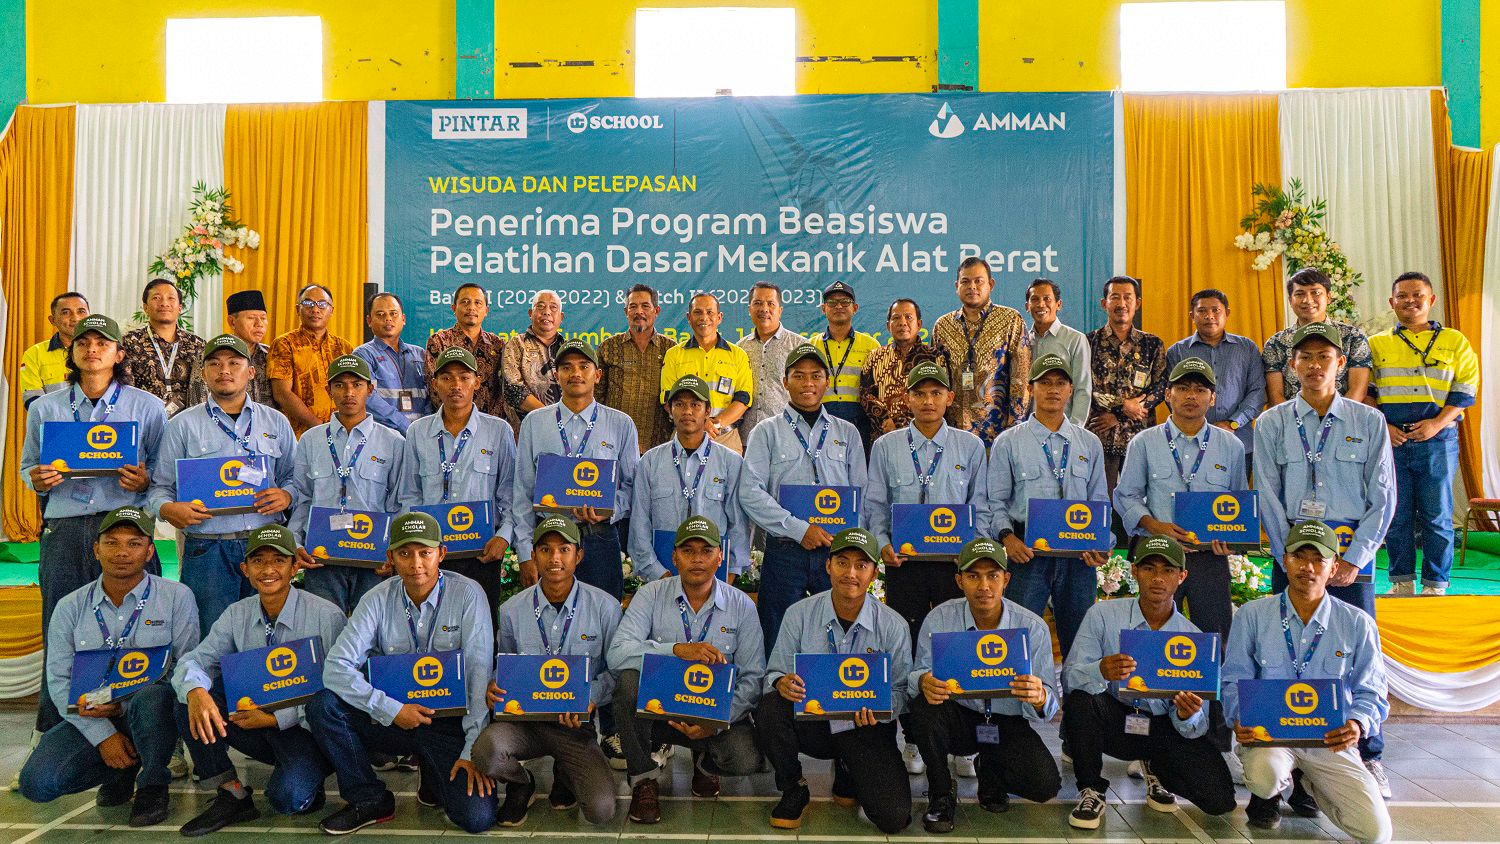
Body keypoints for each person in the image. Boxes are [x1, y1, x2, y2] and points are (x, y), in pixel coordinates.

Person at [1254, 321, 1396, 794]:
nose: (1315, 366)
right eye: (1306, 358)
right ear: (1292, 365)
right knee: (1284, 651)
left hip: (1351, 554)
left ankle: (1368, 753)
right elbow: (1268, 495)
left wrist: (1354, 558)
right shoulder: (1272, 423)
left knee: (1359, 651)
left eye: (1325, 358)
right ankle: (1288, 759)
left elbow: (1383, 497)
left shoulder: (1368, 421)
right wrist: (1289, 557)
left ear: (1341, 364)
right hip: (1295, 554)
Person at [20, 314, 168, 738]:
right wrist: (37, 478)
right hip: (65, 527)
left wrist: (144, 480)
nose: (92, 349)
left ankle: (149, 731)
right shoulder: (46, 408)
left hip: (125, 525)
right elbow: (28, 466)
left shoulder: (147, 406)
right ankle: (52, 731)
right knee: (60, 624)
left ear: (119, 354)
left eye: (103, 343)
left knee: (142, 624)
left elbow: (162, 473)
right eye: (83, 343)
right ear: (72, 352)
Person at [306, 511, 498, 835]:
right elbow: (336, 667)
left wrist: (471, 752)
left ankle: (433, 773)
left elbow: (479, 675)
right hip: (394, 717)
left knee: (475, 818)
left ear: (441, 554)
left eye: (425, 552)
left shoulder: (468, 594)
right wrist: (391, 709)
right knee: (324, 706)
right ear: (391, 557)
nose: (416, 563)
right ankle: (369, 798)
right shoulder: (376, 600)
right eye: (405, 553)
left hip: (448, 722)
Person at [17, 507, 199, 828]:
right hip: (93, 715)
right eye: (112, 543)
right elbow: (58, 681)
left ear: (150, 551)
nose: (122, 553)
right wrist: (103, 736)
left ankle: (153, 784)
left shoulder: (176, 597)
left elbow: (187, 667)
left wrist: (124, 705)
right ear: (96, 549)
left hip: (152, 712)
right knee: (37, 783)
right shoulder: (70, 606)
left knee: (153, 699)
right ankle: (120, 770)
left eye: (134, 543)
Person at [1223, 520, 1392, 842]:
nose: (1308, 567)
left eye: (1319, 559)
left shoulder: (1357, 623)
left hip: (1328, 739)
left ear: (1334, 568)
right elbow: (1233, 679)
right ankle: (1272, 791)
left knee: (1376, 833)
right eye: (1299, 557)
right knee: (1264, 777)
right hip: (1270, 737)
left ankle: (1307, 782)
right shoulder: (1253, 615)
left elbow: (1371, 689)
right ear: (1284, 561)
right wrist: (1239, 717)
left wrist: (1357, 723)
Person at [172, 525, 345, 835]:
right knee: (188, 697)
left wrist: (277, 718)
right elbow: (196, 660)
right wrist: (196, 691)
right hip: (252, 719)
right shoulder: (236, 613)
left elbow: (338, 689)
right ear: (245, 569)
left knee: (287, 799)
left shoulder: (326, 615)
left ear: (295, 566)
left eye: (278, 561)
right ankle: (231, 792)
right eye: (258, 561)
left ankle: (310, 772)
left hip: (305, 728)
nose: (267, 570)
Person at [864, 360, 989, 775]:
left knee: (957, 644)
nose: (929, 400)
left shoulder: (971, 447)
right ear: (908, 398)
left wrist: (971, 549)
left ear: (950, 398)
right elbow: (875, 506)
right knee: (907, 644)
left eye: (936, 393)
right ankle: (914, 738)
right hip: (905, 566)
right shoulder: (886, 447)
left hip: (955, 567)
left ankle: (962, 742)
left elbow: (981, 506)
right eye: (920, 393)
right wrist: (882, 544)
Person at [1062, 535, 1236, 830]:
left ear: (1182, 577)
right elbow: (1069, 678)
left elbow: (1198, 726)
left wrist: (1187, 714)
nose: (1157, 578)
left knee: (1220, 801)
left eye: (1168, 570)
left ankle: (1156, 769)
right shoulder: (1102, 615)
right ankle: (1091, 789)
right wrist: (1099, 670)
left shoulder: (1194, 638)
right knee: (1082, 698)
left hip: (1161, 728)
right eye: (1149, 568)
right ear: (1134, 571)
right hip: (1115, 721)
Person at [607, 516, 766, 824]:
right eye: (688, 550)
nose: (697, 559)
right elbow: (617, 655)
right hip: (661, 713)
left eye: (706, 551)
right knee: (628, 683)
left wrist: (714, 724)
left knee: (744, 757)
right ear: (674, 557)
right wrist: (676, 650)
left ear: (720, 557)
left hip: (712, 713)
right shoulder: (651, 595)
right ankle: (644, 779)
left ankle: (705, 764)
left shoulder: (741, 605)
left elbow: (752, 678)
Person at [757, 527, 912, 834]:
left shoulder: (893, 626)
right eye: (842, 562)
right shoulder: (799, 614)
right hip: (813, 723)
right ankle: (793, 787)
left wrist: (881, 707)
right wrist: (781, 682)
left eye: (861, 565)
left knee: (893, 817)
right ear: (828, 566)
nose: (850, 573)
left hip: (866, 728)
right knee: (771, 707)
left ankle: (847, 768)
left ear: (874, 573)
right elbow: (773, 673)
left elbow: (903, 692)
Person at [473, 515, 622, 827]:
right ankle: (521, 783)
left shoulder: (605, 607)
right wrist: (493, 684)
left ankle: (565, 772)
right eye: (545, 550)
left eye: (564, 549)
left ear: (578, 556)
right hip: (525, 723)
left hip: (574, 725)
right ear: (534, 555)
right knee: (487, 752)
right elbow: (504, 666)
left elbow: (617, 672)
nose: (555, 558)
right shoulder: (512, 610)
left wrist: (591, 697)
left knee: (601, 811)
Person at [908, 537, 1060, 833]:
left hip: (1005, 722)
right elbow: (917, 674)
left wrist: (1040, 696)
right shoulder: (940, 619)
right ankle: (941, 793)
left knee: (1045, 785)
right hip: (958, 719)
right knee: (924, 707)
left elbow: (1050, 702)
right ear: (959, 581)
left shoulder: (1032, 627)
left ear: (1007, 580)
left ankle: (991, 771)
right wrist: (925, 681)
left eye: (993, 576)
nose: (984, 586)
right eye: (973, 576)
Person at [148, 335, 296, 633]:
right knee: (211, 634)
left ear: (251, 371)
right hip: (207, 549)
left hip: (265, 545)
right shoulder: (182, 425)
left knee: (268, 633)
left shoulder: (276, 422)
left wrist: (287, 495)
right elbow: (159, 488)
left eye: (234, 363)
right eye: (214, 364)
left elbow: (295, 478)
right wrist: (167, 509)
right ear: (203, 374)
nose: (224, 370)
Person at [739, 343, 868, 653]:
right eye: (799, 376)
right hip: (785, 551)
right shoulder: (765, 432)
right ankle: (777, 684)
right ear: (785, 382)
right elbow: (750, 493)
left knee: (839, 635)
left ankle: (833, 684)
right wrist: (800, 530)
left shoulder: (848, 433)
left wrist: (852, 546)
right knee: (777, 635)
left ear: (827, 382)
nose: (807, 383)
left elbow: (861, 496)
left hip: (835, 553)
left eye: (816, 376)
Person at [1113, 358, 1249, 642]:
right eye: (1183, 388)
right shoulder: (1143, 442)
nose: (1191, 396)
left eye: (1200, 390)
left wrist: (1232, 539)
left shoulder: (1232, 447)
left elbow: (1240, 504)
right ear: (1167, 394)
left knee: (1215, 639)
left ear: (1212, 398)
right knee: (1150, 636)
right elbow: (1126, 495)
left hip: (1209, 558)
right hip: (1157, 554)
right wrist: (1153, 526)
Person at [987, 354, 1108, 657]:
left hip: (1079, 556)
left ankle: (1076, 690)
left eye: (1060, 383)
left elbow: (1100, 502)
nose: (1053, 389)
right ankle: (1023, 691)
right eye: (1045, 383)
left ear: (1070, 390)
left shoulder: (1089, 443)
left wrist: (1102, 543)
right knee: (1019, 642)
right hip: (1027, 553)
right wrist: (1007, 538)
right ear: (1031, 389)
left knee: (1080, 645)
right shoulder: (1008, 442)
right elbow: (994, 502)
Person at [1370, 271, 1480, 596]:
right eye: (1402, 296)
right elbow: (1366, 392)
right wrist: (1384, 426)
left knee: (1437, 515)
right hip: (1393, 441)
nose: (1410, 301)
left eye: (1417, 295)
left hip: (1438, 440)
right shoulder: (1376, 344)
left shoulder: (1455, 341)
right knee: (1396, 514)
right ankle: (1401, 582)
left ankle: (1435, 585)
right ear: (1392, 302)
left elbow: (1465, 391)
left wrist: (1436, 424)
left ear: (1430, 300)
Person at [399, 347, 517, 625]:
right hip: (430, 554)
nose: (456, 385)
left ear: (477, 382)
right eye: (447, 378)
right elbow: (409, 495)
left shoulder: (498, 431)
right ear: (435, 383)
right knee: (430, 627)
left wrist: (504, 537)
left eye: (464, 377)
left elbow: (511, 495)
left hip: (482, 553)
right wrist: (412, 543)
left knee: (482, 628)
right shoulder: (418, 431)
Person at [514, 340, 640, 598]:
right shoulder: (534, 423)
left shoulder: (621, 424)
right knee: (550, 616)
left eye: (584, 366)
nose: (576, 373)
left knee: (605, 613)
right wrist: (526, 551)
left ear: (598, 375)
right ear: (556, 375)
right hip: (549, 540)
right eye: (567, 367)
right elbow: (522, 492)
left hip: (599, 538)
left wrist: (608, 509)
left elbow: (632, 487)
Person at [289, 355, 407, 613]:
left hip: (373, 559)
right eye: (340, 385)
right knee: (324, 627)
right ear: (328, 390)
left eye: (357, 385)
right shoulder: (310, 440)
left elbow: (399, 503)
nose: (349, 392)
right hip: (323, 559)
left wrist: (394, 551)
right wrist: (295, 542)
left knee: (373, 630)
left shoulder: (394, 442)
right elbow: (303, 498)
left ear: (370, 390)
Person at [629, 375, 751, 581]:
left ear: (708, 411)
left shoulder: (731, 462)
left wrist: (730, 574)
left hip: (716, 576)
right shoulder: (649, 461)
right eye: (679, 404)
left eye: (695, 404)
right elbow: (639, 523)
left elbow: (738, 524)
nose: (687, 411)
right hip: (662, 575)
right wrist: (658, 574)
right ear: (670, 410)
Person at [1166, 289, 1266, 477]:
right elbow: (1172, 396)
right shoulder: (1177, 352)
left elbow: (1258, 391)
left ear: (1227, 313)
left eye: (1215, 310)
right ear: (1192, 316)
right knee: (1193, 492)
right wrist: (1198, 426)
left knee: (1237, 494)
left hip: (1239, 440)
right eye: (1202, 311)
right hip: (1190, 441)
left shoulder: (1247, 348)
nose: (1209, 316)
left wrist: (1233, 423)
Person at [930, 257, 1030, 445]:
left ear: (991, 284)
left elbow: (1021, 378)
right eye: (965, 281)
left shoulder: (1010, 320)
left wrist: (1015, 429)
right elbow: (937, 381)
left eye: (978, 281)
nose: (972, 287)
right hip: (952, 435)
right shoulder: (942, 326)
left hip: (997, 435)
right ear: (957, 286)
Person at [1086, 275, 1166, 494]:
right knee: (1101, 501)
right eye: (1115, 297)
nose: (1121, 304)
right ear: (1104, 303)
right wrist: (1123, 405)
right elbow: (1085, 388)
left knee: (1140, 500)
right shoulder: (1088, 342)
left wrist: (1120, 415)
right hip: (1099, 436)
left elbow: (1161, 387)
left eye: (1127, 297)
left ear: (1137, 303)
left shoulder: (1152, 344)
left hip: (1139, 437)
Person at [660, 292, 754, 454]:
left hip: (726, 438)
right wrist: (698, 424)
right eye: (698, 312)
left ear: (719, 317)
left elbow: (743, 399)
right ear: (689, 318)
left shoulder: (738, 355)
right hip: (685, 436)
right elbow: (667, 398)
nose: (704, 317)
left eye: (710, 312)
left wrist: (715, 423)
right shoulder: (674, 355)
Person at [1263, 268, 1373, 405]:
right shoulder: (1275, 343)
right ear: (1290, 301)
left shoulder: (1353, 337)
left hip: (1344, 415)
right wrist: (1296, 418)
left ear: (1328, 297)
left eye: (1315, 293)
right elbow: (1275, 395)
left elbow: (1358, 390)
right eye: (1299, 294)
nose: (1308, 300)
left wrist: (1334, 416)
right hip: (1291, 417)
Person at [268, 283, 354, 437]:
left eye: (322, 304)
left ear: (331, 310)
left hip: (343, 432)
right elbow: (282, 394)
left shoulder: (344, 347)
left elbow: (354, 389)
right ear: (297, 309)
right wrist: (320, 427)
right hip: (300, 434)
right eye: (308, 303)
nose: (315, 309)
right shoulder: (285, 344)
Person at [597, 284, 674, 453]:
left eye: (645, 306)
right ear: (626, 312)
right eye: (633, 306)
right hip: (612, 442)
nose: (639, 311)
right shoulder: (608, 347)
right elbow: (596, 397)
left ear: (657, 311)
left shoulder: (671, 350)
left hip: (658, 445)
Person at [860, 298, 945, 438]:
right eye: (896, 318)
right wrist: (886, 421)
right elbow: (865, 394)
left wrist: (899, 423)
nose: (902, 322)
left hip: (924, 434)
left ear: (919, 324)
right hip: (883, 434)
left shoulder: (934, 357)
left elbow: (939, 396)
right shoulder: (875, 357)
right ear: (888, 325)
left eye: (908, 317)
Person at [810, 281, 881, 450]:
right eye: (832, 302)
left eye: (845, 302)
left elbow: (878, 389)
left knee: (858, 466)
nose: (839, 306)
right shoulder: (811, 346)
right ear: (823, 309)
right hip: (820, 420)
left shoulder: (871, 345)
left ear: (855, 308)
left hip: (860, 422)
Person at [122, 278, 206, 417]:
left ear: (180, 307)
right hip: (142, 420)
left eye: (171, 298)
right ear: (145, 307)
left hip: (187, 423)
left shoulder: (198, 345)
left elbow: (203, 391)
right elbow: (124, 390)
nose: (164, 303)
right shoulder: (129, 342)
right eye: (156, 298)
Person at [354, 291, 431, 434]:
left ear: (403, 319)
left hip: (422, 434)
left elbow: (431, 394)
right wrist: (406, 427)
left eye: (393, 314)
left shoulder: (419, 354)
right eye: (380, 314)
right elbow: (368, 398)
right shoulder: (363, 355)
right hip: (383, 435)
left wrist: (424, 427)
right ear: (369, 321)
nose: (388, 319)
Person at [425, 282, 506, 418]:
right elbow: (434, 388)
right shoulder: (439, 341)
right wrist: (458, 418)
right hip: (451, 421)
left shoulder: (497, 344)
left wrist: (489, 421)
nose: (471, 308)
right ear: (454, 308)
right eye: (465, 302)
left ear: (486, 310)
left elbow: (504, 389)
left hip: (490, 422)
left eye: (478, 303)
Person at [1024, 279, 1092, 424]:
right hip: (1028, 427)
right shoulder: (1022, 342)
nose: (1041, 304)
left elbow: (1082, 389)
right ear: (1027, 306)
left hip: (1063, 426)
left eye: (1047, 299)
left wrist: (1074, 429)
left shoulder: (1075, 340)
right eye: (1035, 299)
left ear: (1058, 304)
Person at [738, 281, 802, 433]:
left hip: (786, 434)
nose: (764, 309)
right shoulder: (740, 349)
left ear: (780, 310)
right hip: (748, 435)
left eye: (770, 304)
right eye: (758, 303)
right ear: (749, 309)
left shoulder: (799, 346)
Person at [502, 289, 566, 425]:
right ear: (531, 313)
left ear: (561, 317)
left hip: (567, 427)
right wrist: (552, 418)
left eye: (553, 307)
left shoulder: (569, 349)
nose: (547, 312)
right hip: (526, 428)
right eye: (540, 306)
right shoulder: (516, 344)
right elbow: (513, 391)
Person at [20, 291, 90, 407]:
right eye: (66, 312)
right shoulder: (35, 354)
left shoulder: (105, 351)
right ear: (52, 320)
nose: (75, 318)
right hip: (54, 418)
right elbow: (33, 401)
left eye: (81, 311)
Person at [225, 289, 272, 406]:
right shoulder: (213, 356)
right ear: (232, 322)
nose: (259, 324)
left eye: (263, 318)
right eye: (251, 318)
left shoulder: (272, 355)